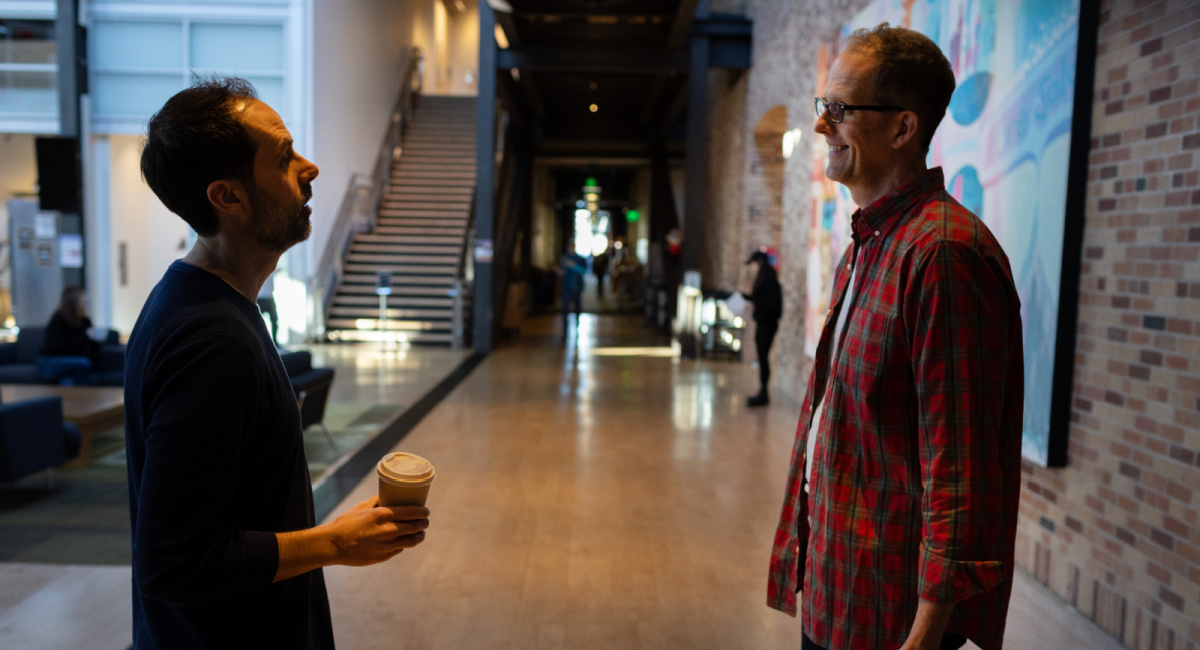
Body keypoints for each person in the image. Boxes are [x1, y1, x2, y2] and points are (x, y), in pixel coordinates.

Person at [127, 77, 430, 649]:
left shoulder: (201, 302)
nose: (310, 168)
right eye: (285, 157)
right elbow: (174, 563)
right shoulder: (213, 339)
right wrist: (336, 543)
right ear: (228, 197)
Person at [767, 24, 1024, 650]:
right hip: (839, 586)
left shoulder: (943, 254)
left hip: (890, 618)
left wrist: (925, 636)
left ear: (903, 128)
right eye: (823, 107)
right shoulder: (869, 243)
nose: (824, 125)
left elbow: (959, 468)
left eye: (841, 109)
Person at [742, 250, 782, 407]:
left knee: (764, 358)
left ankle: (763, 393)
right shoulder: (766, 275)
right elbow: (761, 297)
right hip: (764, 322)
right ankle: (762, 392)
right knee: (762, 357)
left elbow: (771, 304)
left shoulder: (768, 277)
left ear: (758, 262)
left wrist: (755, 304)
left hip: (767, 323)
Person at [41, 286, 102, 363]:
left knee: (85, 363)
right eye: (84, 301)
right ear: (74, 302)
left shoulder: (85, 321)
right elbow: (56, 347)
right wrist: (85, 336)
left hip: (76, 360)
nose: (86, 304)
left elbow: (93, 350)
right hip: (52, 360)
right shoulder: (58, 319)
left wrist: (96, 338)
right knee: (83, 364)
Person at [559, 241, 587, 335]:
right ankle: (565, 329)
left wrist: (573, 266)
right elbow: (560, 271)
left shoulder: (580, 259)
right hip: (566, 287)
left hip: (576, 287)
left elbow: (584, 271)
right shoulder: (564, 258)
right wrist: (560, 272)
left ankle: (577, 325)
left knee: (577, 308)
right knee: (565, 309)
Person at [257, 269, 280, 346]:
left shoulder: (270, 270)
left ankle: (275, 341)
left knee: (274, 320)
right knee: (258, 321)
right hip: (261, 298)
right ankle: (260, 340)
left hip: (269, 298)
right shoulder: (262, 270)